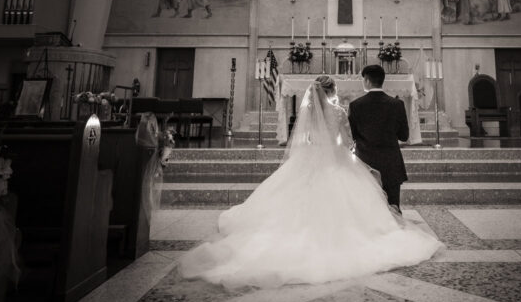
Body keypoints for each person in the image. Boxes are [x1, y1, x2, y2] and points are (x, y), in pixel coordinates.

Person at [178, 75, 441, 289]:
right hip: (337, 164)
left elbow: (303, 142)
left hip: (309, 164)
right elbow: (348, 141)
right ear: (332, 91)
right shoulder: (339, 112)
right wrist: (344, 153)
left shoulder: (307, 111)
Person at [349, 65, 410, 213]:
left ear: (368, 81)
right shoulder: (397, 104)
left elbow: (352, 136)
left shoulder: (356, 105)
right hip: (391, 163)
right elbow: (404, 136)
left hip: (365, 164)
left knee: (368, 209)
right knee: (393, 207)